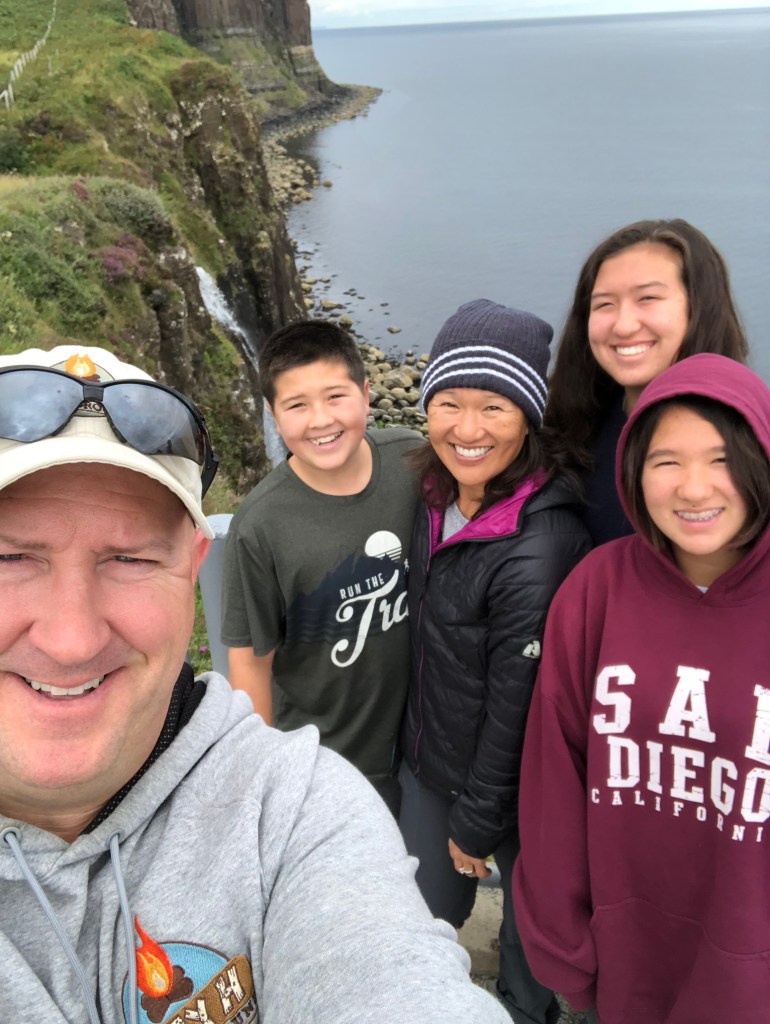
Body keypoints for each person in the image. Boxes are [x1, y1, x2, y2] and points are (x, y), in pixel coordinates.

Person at [0, 344, 510, 1023]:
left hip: (408, 750)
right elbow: (251, 659)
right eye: (10, 556)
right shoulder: (266, 523)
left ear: (191, 568)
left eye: (129, 558)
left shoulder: (290, 810)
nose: (71, 639)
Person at [514, 353, 770, 1024]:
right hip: (625, 967)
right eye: (666, 461)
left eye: (722, 460)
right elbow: (554, 780)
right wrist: (562, 950)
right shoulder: (597, 590)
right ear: (633, 470)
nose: (694, 488)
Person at [398, 300, 592, 1024]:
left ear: (529, 418)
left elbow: (518, 698)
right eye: (449, 402)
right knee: (423, 913)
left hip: (508, 783)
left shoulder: (540, 543)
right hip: (435, 757)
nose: (467, 428)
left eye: (494, 407)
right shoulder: (433, 493)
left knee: (527, 931)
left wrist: (477, 820)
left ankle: (521, 1009)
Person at [221, 320, 421, 815]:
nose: (320, 420)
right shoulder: (260, 525)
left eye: (336, 397)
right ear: (273, 416)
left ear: (366, 395)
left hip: (421, 748)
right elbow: (250, 661)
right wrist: (267, 772)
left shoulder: (411, 460)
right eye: (296, 405)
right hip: (322, 763)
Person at [544, 218, 748, 545]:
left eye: (648, 298)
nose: (624, 325)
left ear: (699, 309)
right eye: (605, 304)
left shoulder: (750, 441)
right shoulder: (572, 431)